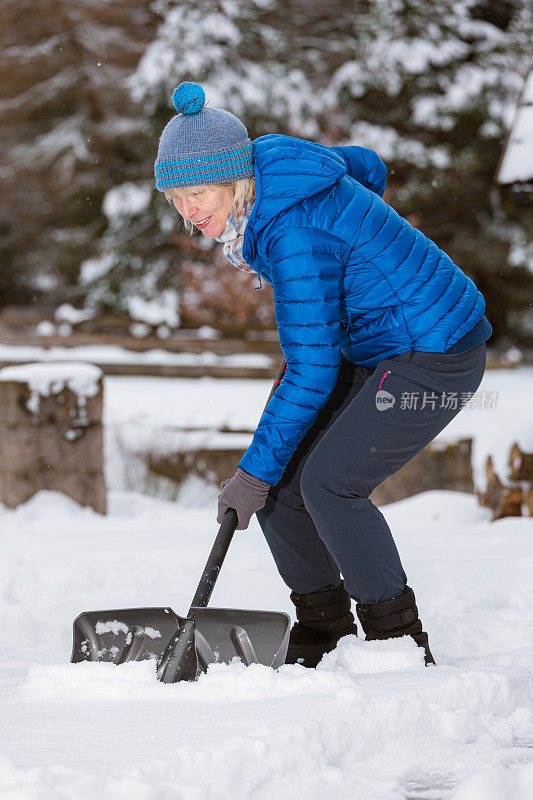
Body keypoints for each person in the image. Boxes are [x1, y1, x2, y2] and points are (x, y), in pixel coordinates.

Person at [155, 82, 492, 668]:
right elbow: (365, 167)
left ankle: (396, 639)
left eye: (200, 191)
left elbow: (312, 370)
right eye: (177, 196)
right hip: (380, 346)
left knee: (330, 482)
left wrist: (247, 475)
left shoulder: (292, 233)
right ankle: (325, 625)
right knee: (284, 484)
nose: (189, 211)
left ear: (235, 179)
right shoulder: (282, 178)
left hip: (437, 355)